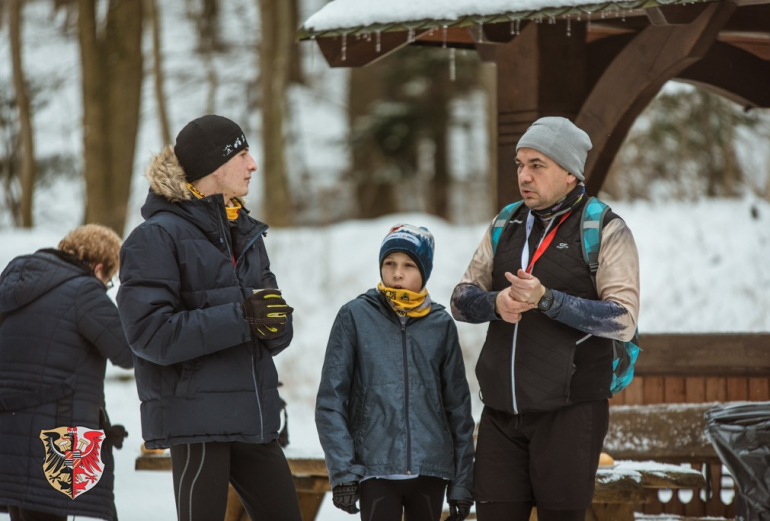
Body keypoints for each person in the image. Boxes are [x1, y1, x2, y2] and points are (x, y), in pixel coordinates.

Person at [450, 117, 640, 521]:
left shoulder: (604, 228)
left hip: (570, 414)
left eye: (537, 165)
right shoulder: (505, 223)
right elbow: (460, 300)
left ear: (570, 173)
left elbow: (623, 319)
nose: (524, 175)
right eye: (520, 164)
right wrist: (495, 304)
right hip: (502, 413)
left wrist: (548, 300)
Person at [116, 115, 301, 521]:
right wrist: (242, 317)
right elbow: (150, 334)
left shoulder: (246, 233)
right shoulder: (155, 237)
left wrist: (276, 323)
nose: (253, 164)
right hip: (196, 420)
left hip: (254, 417)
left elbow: (269, 325)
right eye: (243, 154)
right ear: (214, 166)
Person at [316, 224, 475, 521]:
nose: (397, 274)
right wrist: (343, 472)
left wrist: (462, 483)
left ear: (424, 272)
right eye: (389, 263)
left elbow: (458, 410)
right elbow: (330, 402)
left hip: (431, 471)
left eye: (408, 265)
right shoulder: (355, 316)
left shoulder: (440, 324)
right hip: (374, 469)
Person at [0, 224, 133, 521]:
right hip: (57, 434)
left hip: (10, 430)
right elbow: (127, 351)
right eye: (108, 281)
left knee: (24, 512)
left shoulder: (14, 285)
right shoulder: (84, 290)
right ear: (99, 267)